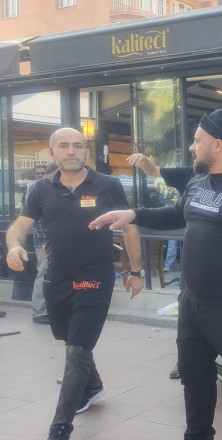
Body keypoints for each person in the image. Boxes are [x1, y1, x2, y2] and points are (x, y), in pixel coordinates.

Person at [89, 108, 222, 440]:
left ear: (218, 144)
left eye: (197, 140)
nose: (191, 147)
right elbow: (175, 213)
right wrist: (131, 214)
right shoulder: (199, 181)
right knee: (194, 378)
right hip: (192, 305)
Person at [5, 127, 145, 440]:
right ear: (52, 153)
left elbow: (130, 229)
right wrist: (14, 246)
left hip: (95, 278)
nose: (72, 151)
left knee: (78, 350)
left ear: (86, 152)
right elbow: (19, 227)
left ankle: (60, 427)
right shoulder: (40, 189)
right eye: (64, 146)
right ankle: (93, 386)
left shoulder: (107, 185)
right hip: (56, 279)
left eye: (78, 146)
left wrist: (137, 271)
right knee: (69, 342)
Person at [127, 152, 195, 379]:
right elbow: (154, 171)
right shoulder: (190, 174)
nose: (192, 147)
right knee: (187, 313)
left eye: (198, 141)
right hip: (194, 262)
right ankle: (184, 361)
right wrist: (145, 162)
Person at [25, 162, 59, 325]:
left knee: (52, 274)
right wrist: (45, 241)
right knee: (43, 273)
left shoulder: (54, 185)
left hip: (55, 240)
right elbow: (36, 219)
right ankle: (39, 311)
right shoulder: (39, 187)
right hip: (45, 241)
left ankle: (51, 309)